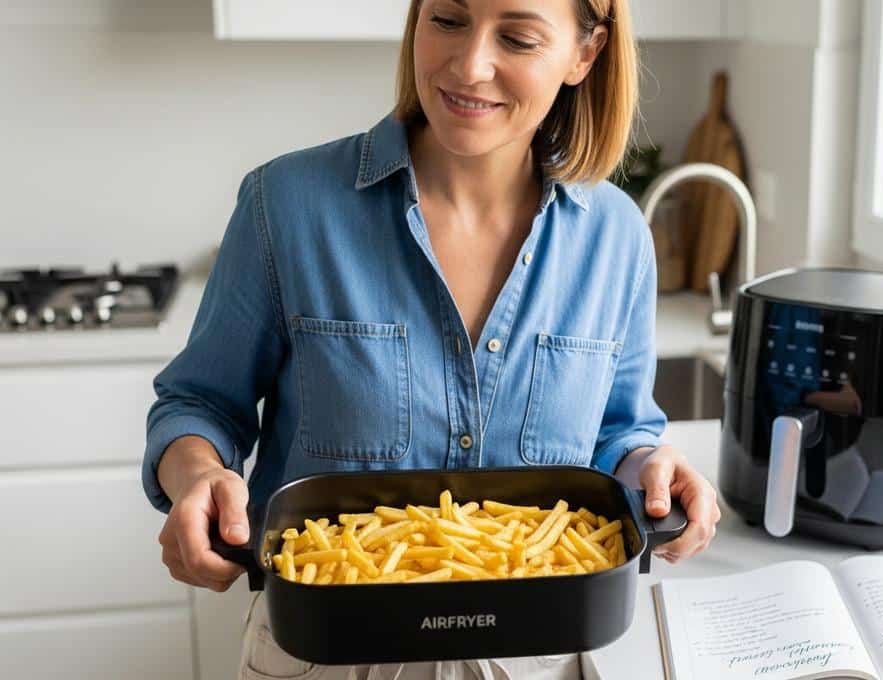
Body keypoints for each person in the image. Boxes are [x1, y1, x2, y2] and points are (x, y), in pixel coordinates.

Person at [142, 0, 721, 677]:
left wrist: (649, 467)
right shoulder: (286, 205)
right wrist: (199, 476)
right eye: (447, 19)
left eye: (518, 38)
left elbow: (619, 434)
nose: (470, 66)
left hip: (539, 653)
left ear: (583, 55)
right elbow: (199, 404)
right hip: (330, 652)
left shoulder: (616, 235)